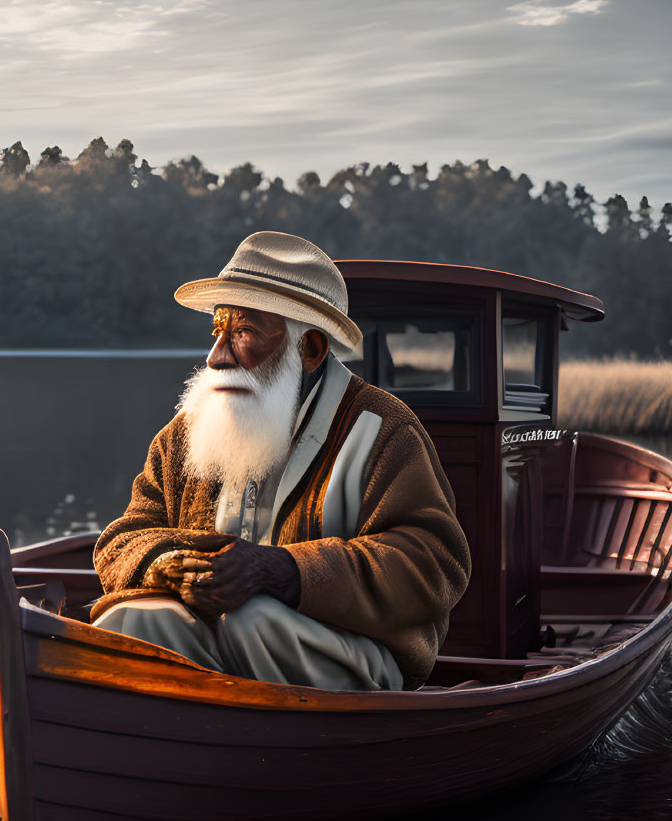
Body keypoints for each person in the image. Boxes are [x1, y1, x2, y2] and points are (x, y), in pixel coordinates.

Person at [92, 231, 471, 691]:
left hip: (350, 654)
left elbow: (435, 562)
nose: (216, 357)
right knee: (131, 617)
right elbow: (124, 538)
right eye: (218, 332)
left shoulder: (383, 429)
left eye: (245, 332)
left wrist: (283, 571)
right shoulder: (184, 434)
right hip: (217, 635)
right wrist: (171, 564)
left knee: (249, 615)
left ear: (309, 349)